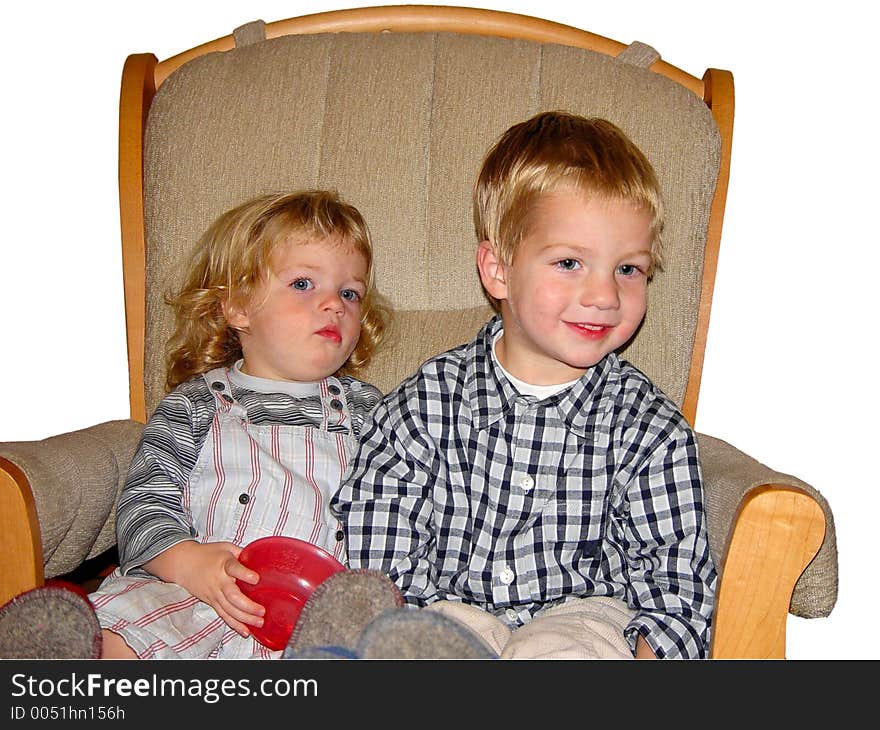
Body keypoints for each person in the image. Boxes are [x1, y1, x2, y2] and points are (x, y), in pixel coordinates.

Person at [331, 111, 718, 659]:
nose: (605, 295)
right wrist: (402, 617)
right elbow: (377, 523)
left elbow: (677, 574)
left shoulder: (649, 430)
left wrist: (654, 650)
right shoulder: (428, 402)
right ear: (499, 271)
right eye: (570, 262)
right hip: (446, 605)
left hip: (584, 616)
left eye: (629, 269)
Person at [89, 189, 391, 659]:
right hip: (203, 596)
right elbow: (145, 499)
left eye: (349, 292)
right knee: (121, 633)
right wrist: (186, 561)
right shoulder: (194, 405)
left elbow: (405, 506)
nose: (335, 305)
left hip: (320, 617)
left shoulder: (370, 411)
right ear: (239, 307)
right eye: (304, 284)